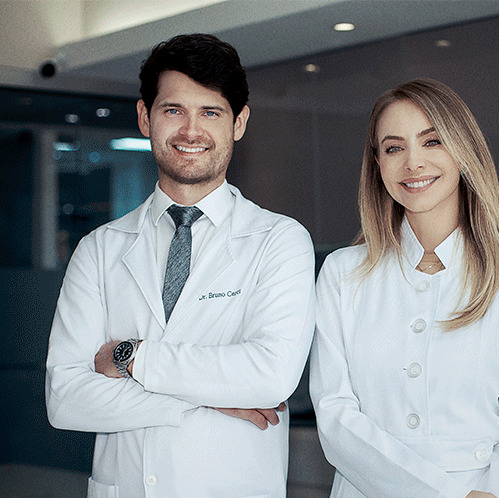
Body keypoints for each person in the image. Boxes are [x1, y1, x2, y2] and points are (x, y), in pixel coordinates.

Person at [45, 33, 315, 497]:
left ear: (239, 122)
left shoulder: (279, 241)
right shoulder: (99, 248)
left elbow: (270, 376)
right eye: (174, 110)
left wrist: (131, 356)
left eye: (210, 112)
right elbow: (65, 401)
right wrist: (209, 398)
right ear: (144, 117)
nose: (191, 132)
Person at [309, 78, 499, 497]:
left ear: (463, 151)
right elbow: (335, 418)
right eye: (393, 147)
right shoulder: (341, 274)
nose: (413, 163)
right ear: (378, 163)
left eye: (432, 141)